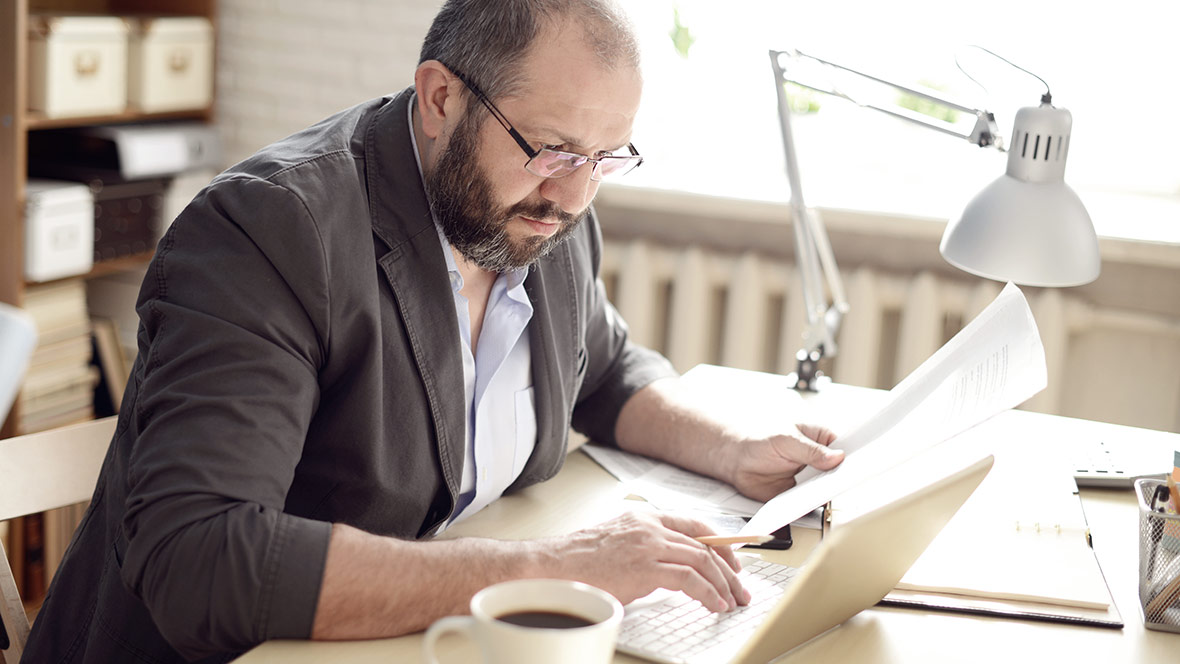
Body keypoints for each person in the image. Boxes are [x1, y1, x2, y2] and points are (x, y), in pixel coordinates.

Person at [24, 0, 844, 661]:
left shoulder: (545, 212)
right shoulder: (270, 231)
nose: (575, 195)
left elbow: (605, 369)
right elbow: (202, 562)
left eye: (606, 158)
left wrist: (734, 450)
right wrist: (552, 570)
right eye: (553, 148)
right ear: (440, 96)